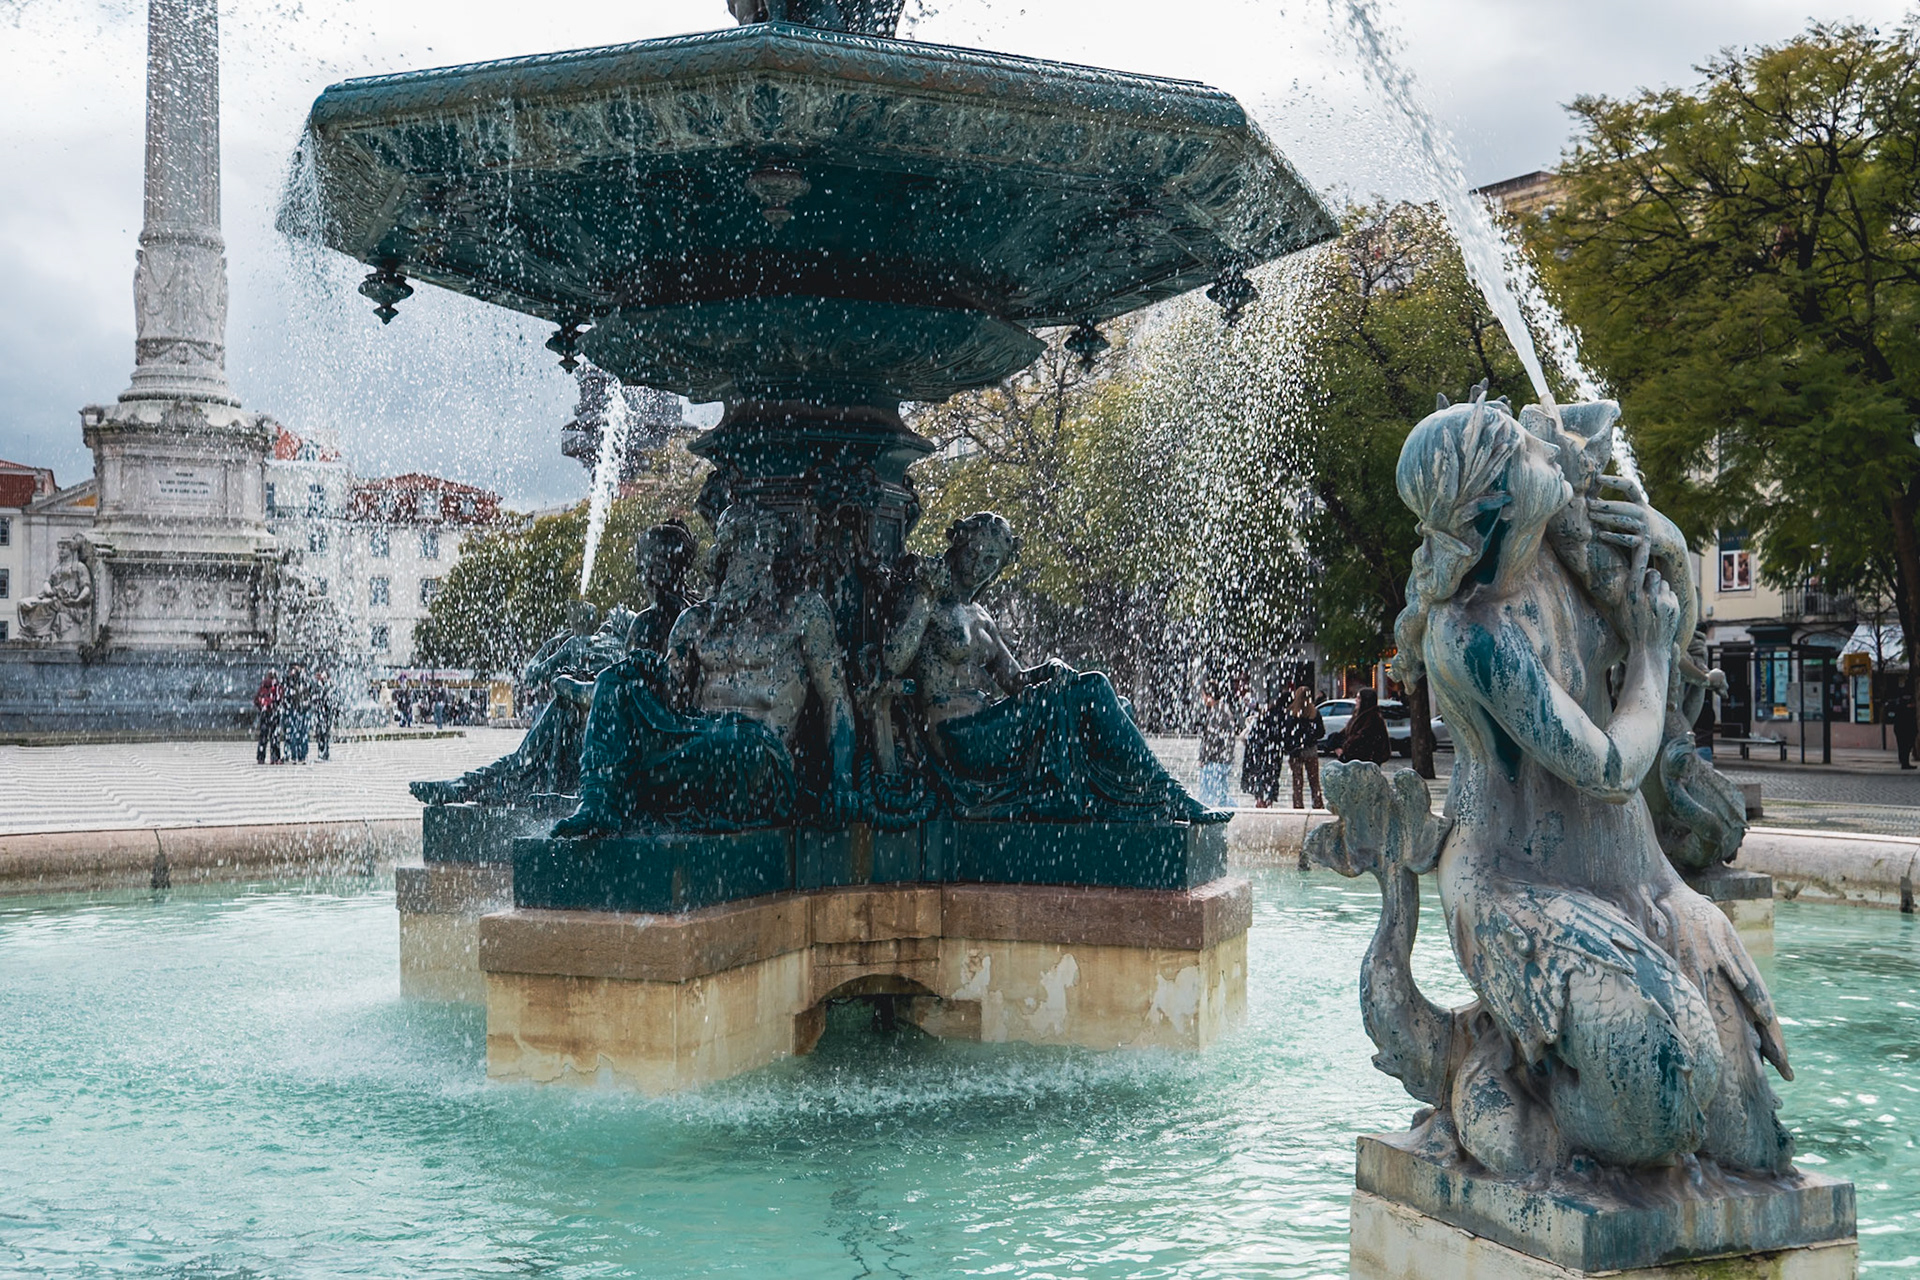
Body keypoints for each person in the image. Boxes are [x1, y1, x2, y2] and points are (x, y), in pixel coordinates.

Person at [1386, 390, 1788, 1175]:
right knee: (1667, 1098)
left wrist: (1669, 548)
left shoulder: (1561, 560)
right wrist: (1651, 651)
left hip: (1634, 875)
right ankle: (1489, 1079)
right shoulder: (1469, 632)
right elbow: (1608, 767)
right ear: (1498, 498)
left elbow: (1661, 621)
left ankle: (1537, 1066)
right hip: (1514, 886)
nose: (1547, 451)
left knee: (1752, 1145)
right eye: (1525, 451)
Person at [880, 512, 1226, 824]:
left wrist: (1050, 668)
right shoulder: (923, 595)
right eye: (973, 553)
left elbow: (1015, 680)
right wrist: (925, 597)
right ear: (957, 545)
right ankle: (1167, 795)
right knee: (1092, 690)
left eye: (990, 560)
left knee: (1118, 705)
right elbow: (892, 660)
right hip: (958, 738)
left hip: (988, 725)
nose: (977, 566)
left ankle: (1136, 803)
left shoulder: (981, 617)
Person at [553, 506, 838, 836]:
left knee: (729, 741)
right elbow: (669, 693)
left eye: (758, 553)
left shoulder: (802, 612)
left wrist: (841, 780)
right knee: (620, 678)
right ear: (725, 556)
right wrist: (642, 677)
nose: (748, 564)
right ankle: (598, 804)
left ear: (772, 558)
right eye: (739, 553)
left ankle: (628, 786)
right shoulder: (696, 620)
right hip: (697, 734)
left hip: (760, 752)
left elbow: (835, 700)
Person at [1195, 680, 1241, 809]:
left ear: (1209, 696)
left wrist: (1204, 758)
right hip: (1222, 760)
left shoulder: (1218, 712)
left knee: (1210, 796)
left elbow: (1212, 739)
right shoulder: (1221, 709)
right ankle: (1234, 812)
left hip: (1215, 761)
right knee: (1220, 794)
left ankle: (1234, 812)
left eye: (1203, 695)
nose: (1202, 698)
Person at [1240, 689, 1288, 808]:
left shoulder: (1269, 712)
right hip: (1272, 750)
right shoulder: (1282, 715)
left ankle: (1260, 798)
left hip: (1259, 748)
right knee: (1272, 774)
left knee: (1260, 772)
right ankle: (1268, 799)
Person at [1280, 686, 1325, 809]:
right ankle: (1318, 805)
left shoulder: (1291, 712)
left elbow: (1286, 733)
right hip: (1311, 751)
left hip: (1295, 752)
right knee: (1314, 781)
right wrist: (1311, 738)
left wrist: (1291, 747)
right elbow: (1321, 732)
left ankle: (1298, 805)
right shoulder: (1315, 713)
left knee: (1297, 781)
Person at [1337, 687, 1391, 764]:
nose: (1356, 700)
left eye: (1358, 698)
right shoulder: (1357, 717)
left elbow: (1361, 740)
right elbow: (1344, 734)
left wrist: (1346, 749)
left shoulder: (1373, 719)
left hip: (1365, 763)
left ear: (1365, 701)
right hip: (1355, 761)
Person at [281, 663, 313, 763]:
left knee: (299, 734)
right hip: (295, 710)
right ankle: (294, 755)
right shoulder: (291, 682)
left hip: (300, 710)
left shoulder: (303, 682)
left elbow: (309, 694)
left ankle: (299, 755)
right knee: (294, 734)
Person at [253, 669, 284, 765]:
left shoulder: (263, 686)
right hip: (274, 713)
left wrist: (262, 708)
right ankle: (275, 757)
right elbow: (280, 698)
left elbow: (256, 700)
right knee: (274, 737)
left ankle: (261, 757)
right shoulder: (277, 686)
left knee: (263, 736)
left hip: (265, 713)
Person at [313, 669, 336, 762]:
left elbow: (333, 698)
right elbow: (316, 697)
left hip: (326, 712)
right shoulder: (317, 686)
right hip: (320, 712)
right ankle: (321, 753)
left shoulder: (330, 686)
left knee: (326, 733)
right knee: (321, 734)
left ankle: (325, 753)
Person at [1894, 688, 1917, 770]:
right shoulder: (1903, 700)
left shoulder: (1899, 700)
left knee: (1904, 745)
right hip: (1905, 727)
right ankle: (1904, 763)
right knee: (1905, 745)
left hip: (1902, 727)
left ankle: (1904, 762)